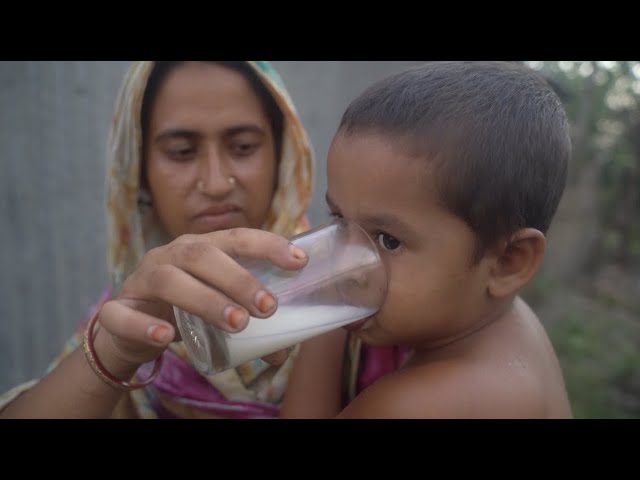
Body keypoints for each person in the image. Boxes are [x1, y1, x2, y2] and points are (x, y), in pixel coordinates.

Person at [0, 61, 318, 418]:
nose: (215, 183)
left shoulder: (339, 293)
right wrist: (114, 355)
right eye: (181, 151)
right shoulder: (132, 315)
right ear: (141, 170)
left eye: (243, 146)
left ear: (283, 157)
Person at [279, 61, 574, 418]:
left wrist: (320, 315)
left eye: (388, 241)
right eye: (340, 220)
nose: (346, 265)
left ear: (509, 261)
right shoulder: (504, 323)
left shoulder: (421, 404)